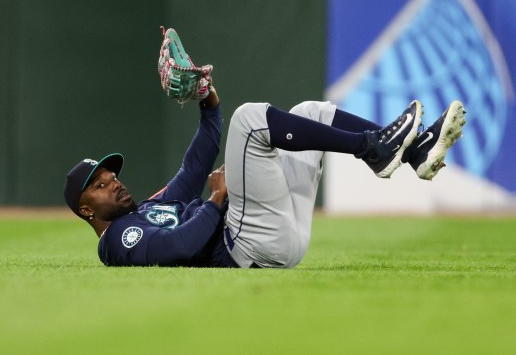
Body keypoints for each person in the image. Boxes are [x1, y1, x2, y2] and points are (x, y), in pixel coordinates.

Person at [63, 65, 466, 269]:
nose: (113, 182)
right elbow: (178, 247)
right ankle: (372, 149)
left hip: (272, 237)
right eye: (99, 185)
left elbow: (195, 164)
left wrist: (208, 103)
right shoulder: (118, 239)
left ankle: (416, 154)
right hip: (247, 247)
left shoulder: (150, 208)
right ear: (86, 210)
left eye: (111, 175)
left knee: (312, 110)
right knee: (250, 119)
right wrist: (216, 200)